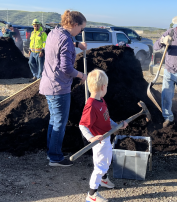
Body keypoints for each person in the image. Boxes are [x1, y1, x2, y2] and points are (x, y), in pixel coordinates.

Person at [39, 10, 88, 167]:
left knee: (54, 120)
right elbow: (66, 68)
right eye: (81, 28)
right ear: (74, 25)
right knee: (59, 122)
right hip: (58, 87)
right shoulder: (66, 40)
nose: (81, 31)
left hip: (48, 83)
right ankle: (55, 157)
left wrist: (76, 44)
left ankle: (51, 152)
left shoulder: (54, 32)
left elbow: (60, 45)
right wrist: (81, 75)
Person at [79, 69, 127, 202]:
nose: (107, 88)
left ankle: (104, 180)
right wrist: (91, 138)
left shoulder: (101, 100)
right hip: (99, 141)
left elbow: (106, 119)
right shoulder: (91, 106)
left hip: (106, 137)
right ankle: (92, 194)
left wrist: (116, 125)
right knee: (100, 166)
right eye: (107, 85)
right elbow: (82, 125)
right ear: (102, 87)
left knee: (106, 160)